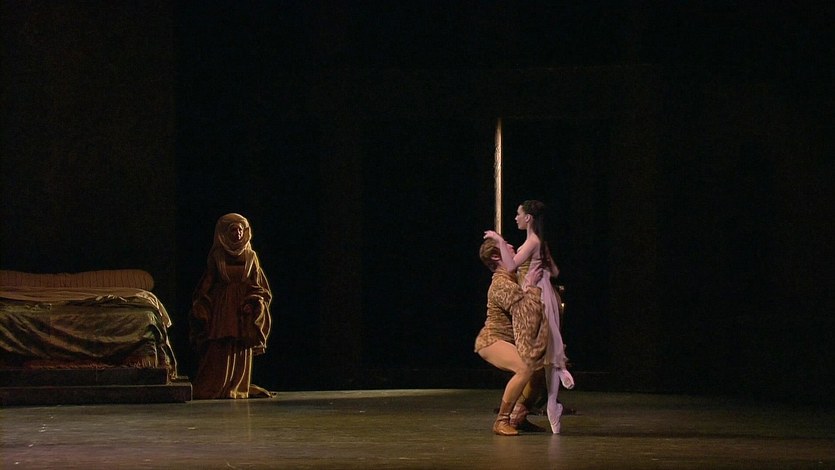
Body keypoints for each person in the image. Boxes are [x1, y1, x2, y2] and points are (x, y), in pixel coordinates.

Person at [484, 200, 574, 434]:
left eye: (518, 214)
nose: (516, 218)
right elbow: (554, 271)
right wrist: (541, 273)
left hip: (536, 297)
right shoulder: (538, 244)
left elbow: (512, 266)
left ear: (529, 218)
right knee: (539, 360)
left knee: (540, 359)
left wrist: (500, 241)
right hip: (541, 297)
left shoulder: (532, 243)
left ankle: (528, 408)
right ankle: (525, 410)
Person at [189, 213, 273, 399]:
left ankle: (237, 384)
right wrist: (202, 301)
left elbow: (258, 284)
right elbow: (208, 281)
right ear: (226, 233)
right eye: (233, 230)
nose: (238, 234)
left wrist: (252, 301)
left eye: (240, 230)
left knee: (240, 343)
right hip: (223, 305)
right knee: (220, 341)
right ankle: (216, 384)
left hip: (242, 306)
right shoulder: (217, 256)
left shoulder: (251, 256)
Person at [474, 237, 549, 436]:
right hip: (491, 340)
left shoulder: (513, 278)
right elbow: (528, 312)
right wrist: (532, 287)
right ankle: (501, 420)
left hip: (507, 339)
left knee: (538, 372)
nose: (512, 246)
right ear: (496, 256)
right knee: (524, 367)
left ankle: (519, 417)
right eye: (506, 245)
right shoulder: (501, 284)